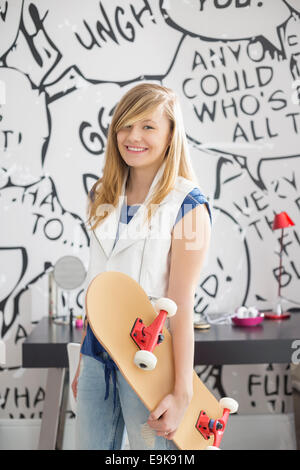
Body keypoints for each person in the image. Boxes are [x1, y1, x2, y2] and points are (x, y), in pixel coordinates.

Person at [72, 83, 212, 450]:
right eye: (126, 125)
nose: (133, 136)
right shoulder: (102, 195)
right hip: (95, 359)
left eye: (148, 126)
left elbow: (181, 305)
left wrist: (181, 392)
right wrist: (82, 363)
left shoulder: (189, 205)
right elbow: (98, 286)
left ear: (170, 135)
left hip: (149, 363)